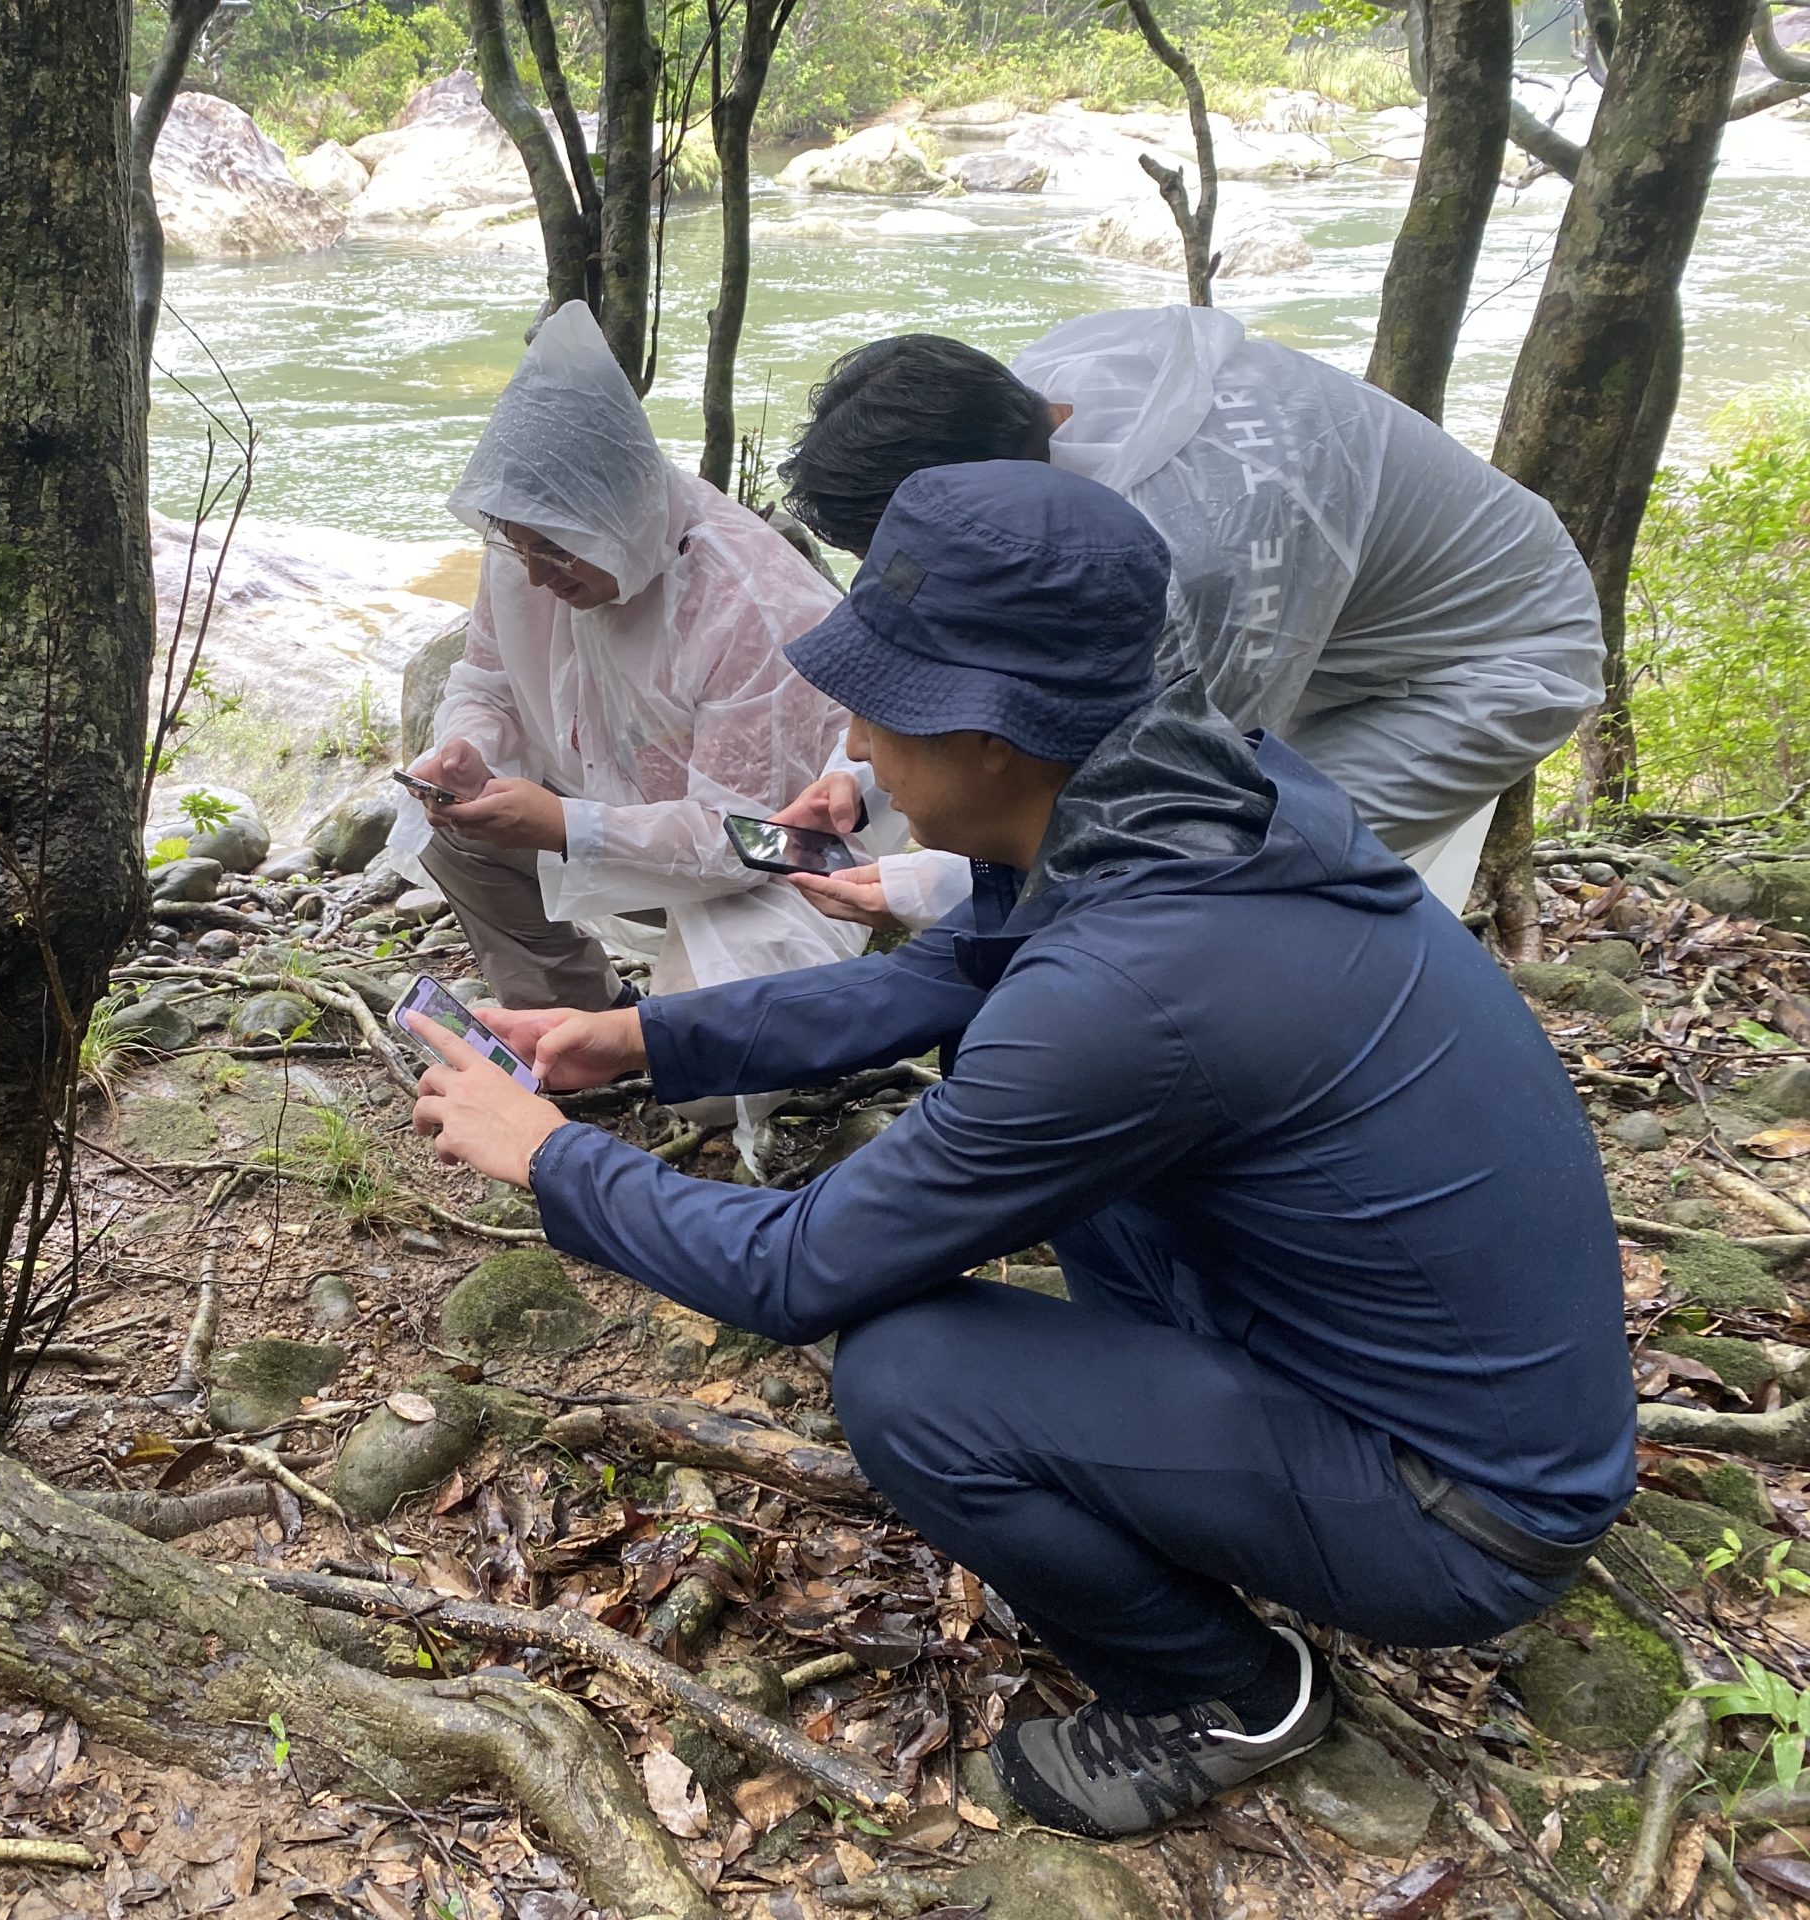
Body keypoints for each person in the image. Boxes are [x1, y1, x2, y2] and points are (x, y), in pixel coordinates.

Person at [398, 460, 1634, 1838]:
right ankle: (1215, 1493)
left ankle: (1226, 1693)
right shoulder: (1180, 793)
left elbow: (797, 1272)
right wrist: (633, 1040)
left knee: (914, 1375)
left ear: (991, 736)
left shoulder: (1135, 985)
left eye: (880, 706)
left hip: (1461, 1512)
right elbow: (947, 979)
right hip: (1445, 1390)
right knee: (1044, 1169)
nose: (856, 747)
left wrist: (549, 1156)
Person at [767, 307, 1603, 927]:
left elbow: (1164, 801)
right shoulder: (1012, 413)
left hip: (1489, 662)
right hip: (1337, 615)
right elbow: (982, 662)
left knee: (1241, 874)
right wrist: (870, 784)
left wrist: (934, 888)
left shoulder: (1197, 553)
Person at [385, 301, 873, 1150]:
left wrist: (563, 824)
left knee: (711, 1088)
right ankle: (574, 1023)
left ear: (621, 516)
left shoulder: (747, 604)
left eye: (557, 552)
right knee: (452, 828)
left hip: (785, 874)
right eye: (517, 545)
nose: (535, 576)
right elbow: (486, 679)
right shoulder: (529, 559)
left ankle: (660, 1037)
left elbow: (754, 841)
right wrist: (467, 748)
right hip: (614, 814)